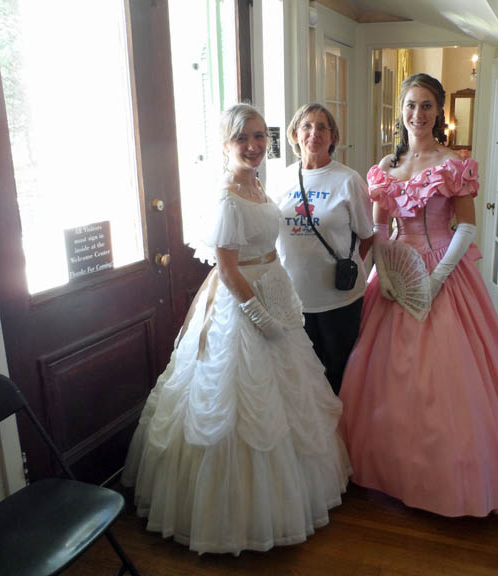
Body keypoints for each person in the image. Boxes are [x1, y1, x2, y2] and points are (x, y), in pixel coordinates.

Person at [121, 104, 351, 555]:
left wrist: (278, 302)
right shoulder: (228, 196)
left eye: (259, 136)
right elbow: (226, 270)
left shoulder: (259, 184)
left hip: (273, 287)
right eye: (242, 138)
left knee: (290, 397)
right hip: (241, 300)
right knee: (236, 405)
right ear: (226, 144)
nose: (253, 146)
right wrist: (259, 315)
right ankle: (231, 516)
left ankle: (287, 497)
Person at [339, 74, 498, 517]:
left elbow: (467, 227)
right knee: (380, 374)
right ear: (401, 110)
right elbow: (379, 227)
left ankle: (448, 475)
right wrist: (384, 274)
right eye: (411, 105)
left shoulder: (454, 164)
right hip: (395, 272)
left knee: (448, 375)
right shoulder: (386, 166)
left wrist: (435, 280)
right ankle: (386, 467)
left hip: (442, 268)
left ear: (439, 112)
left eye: (427, 105)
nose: (418, 114)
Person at [276, 103, 373, 395]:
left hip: (339, 301)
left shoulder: (348, 180)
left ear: (333, 137)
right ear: (295, 134)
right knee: (301, 376)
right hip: (293, 300)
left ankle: (340, 424)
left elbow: (367, 234)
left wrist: (349, 265)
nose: (313, 133)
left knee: (338, 374)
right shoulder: (282, 179)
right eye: (306, 126)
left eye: (322, 127)